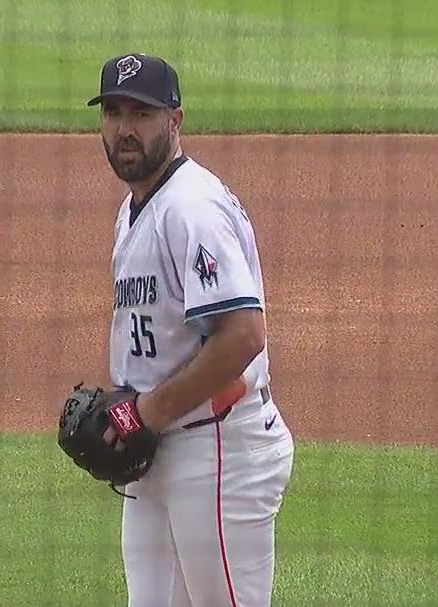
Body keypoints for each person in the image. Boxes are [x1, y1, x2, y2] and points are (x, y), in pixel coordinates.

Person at [86, 52, 295, 607]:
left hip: (217, 451)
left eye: (142, 114)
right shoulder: (136, 208)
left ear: (175, 121)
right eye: (113, 113)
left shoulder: (191, 209)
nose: (125, 129)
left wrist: (150, 410)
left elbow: (244, 334)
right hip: (155, 448)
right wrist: (135, 414)